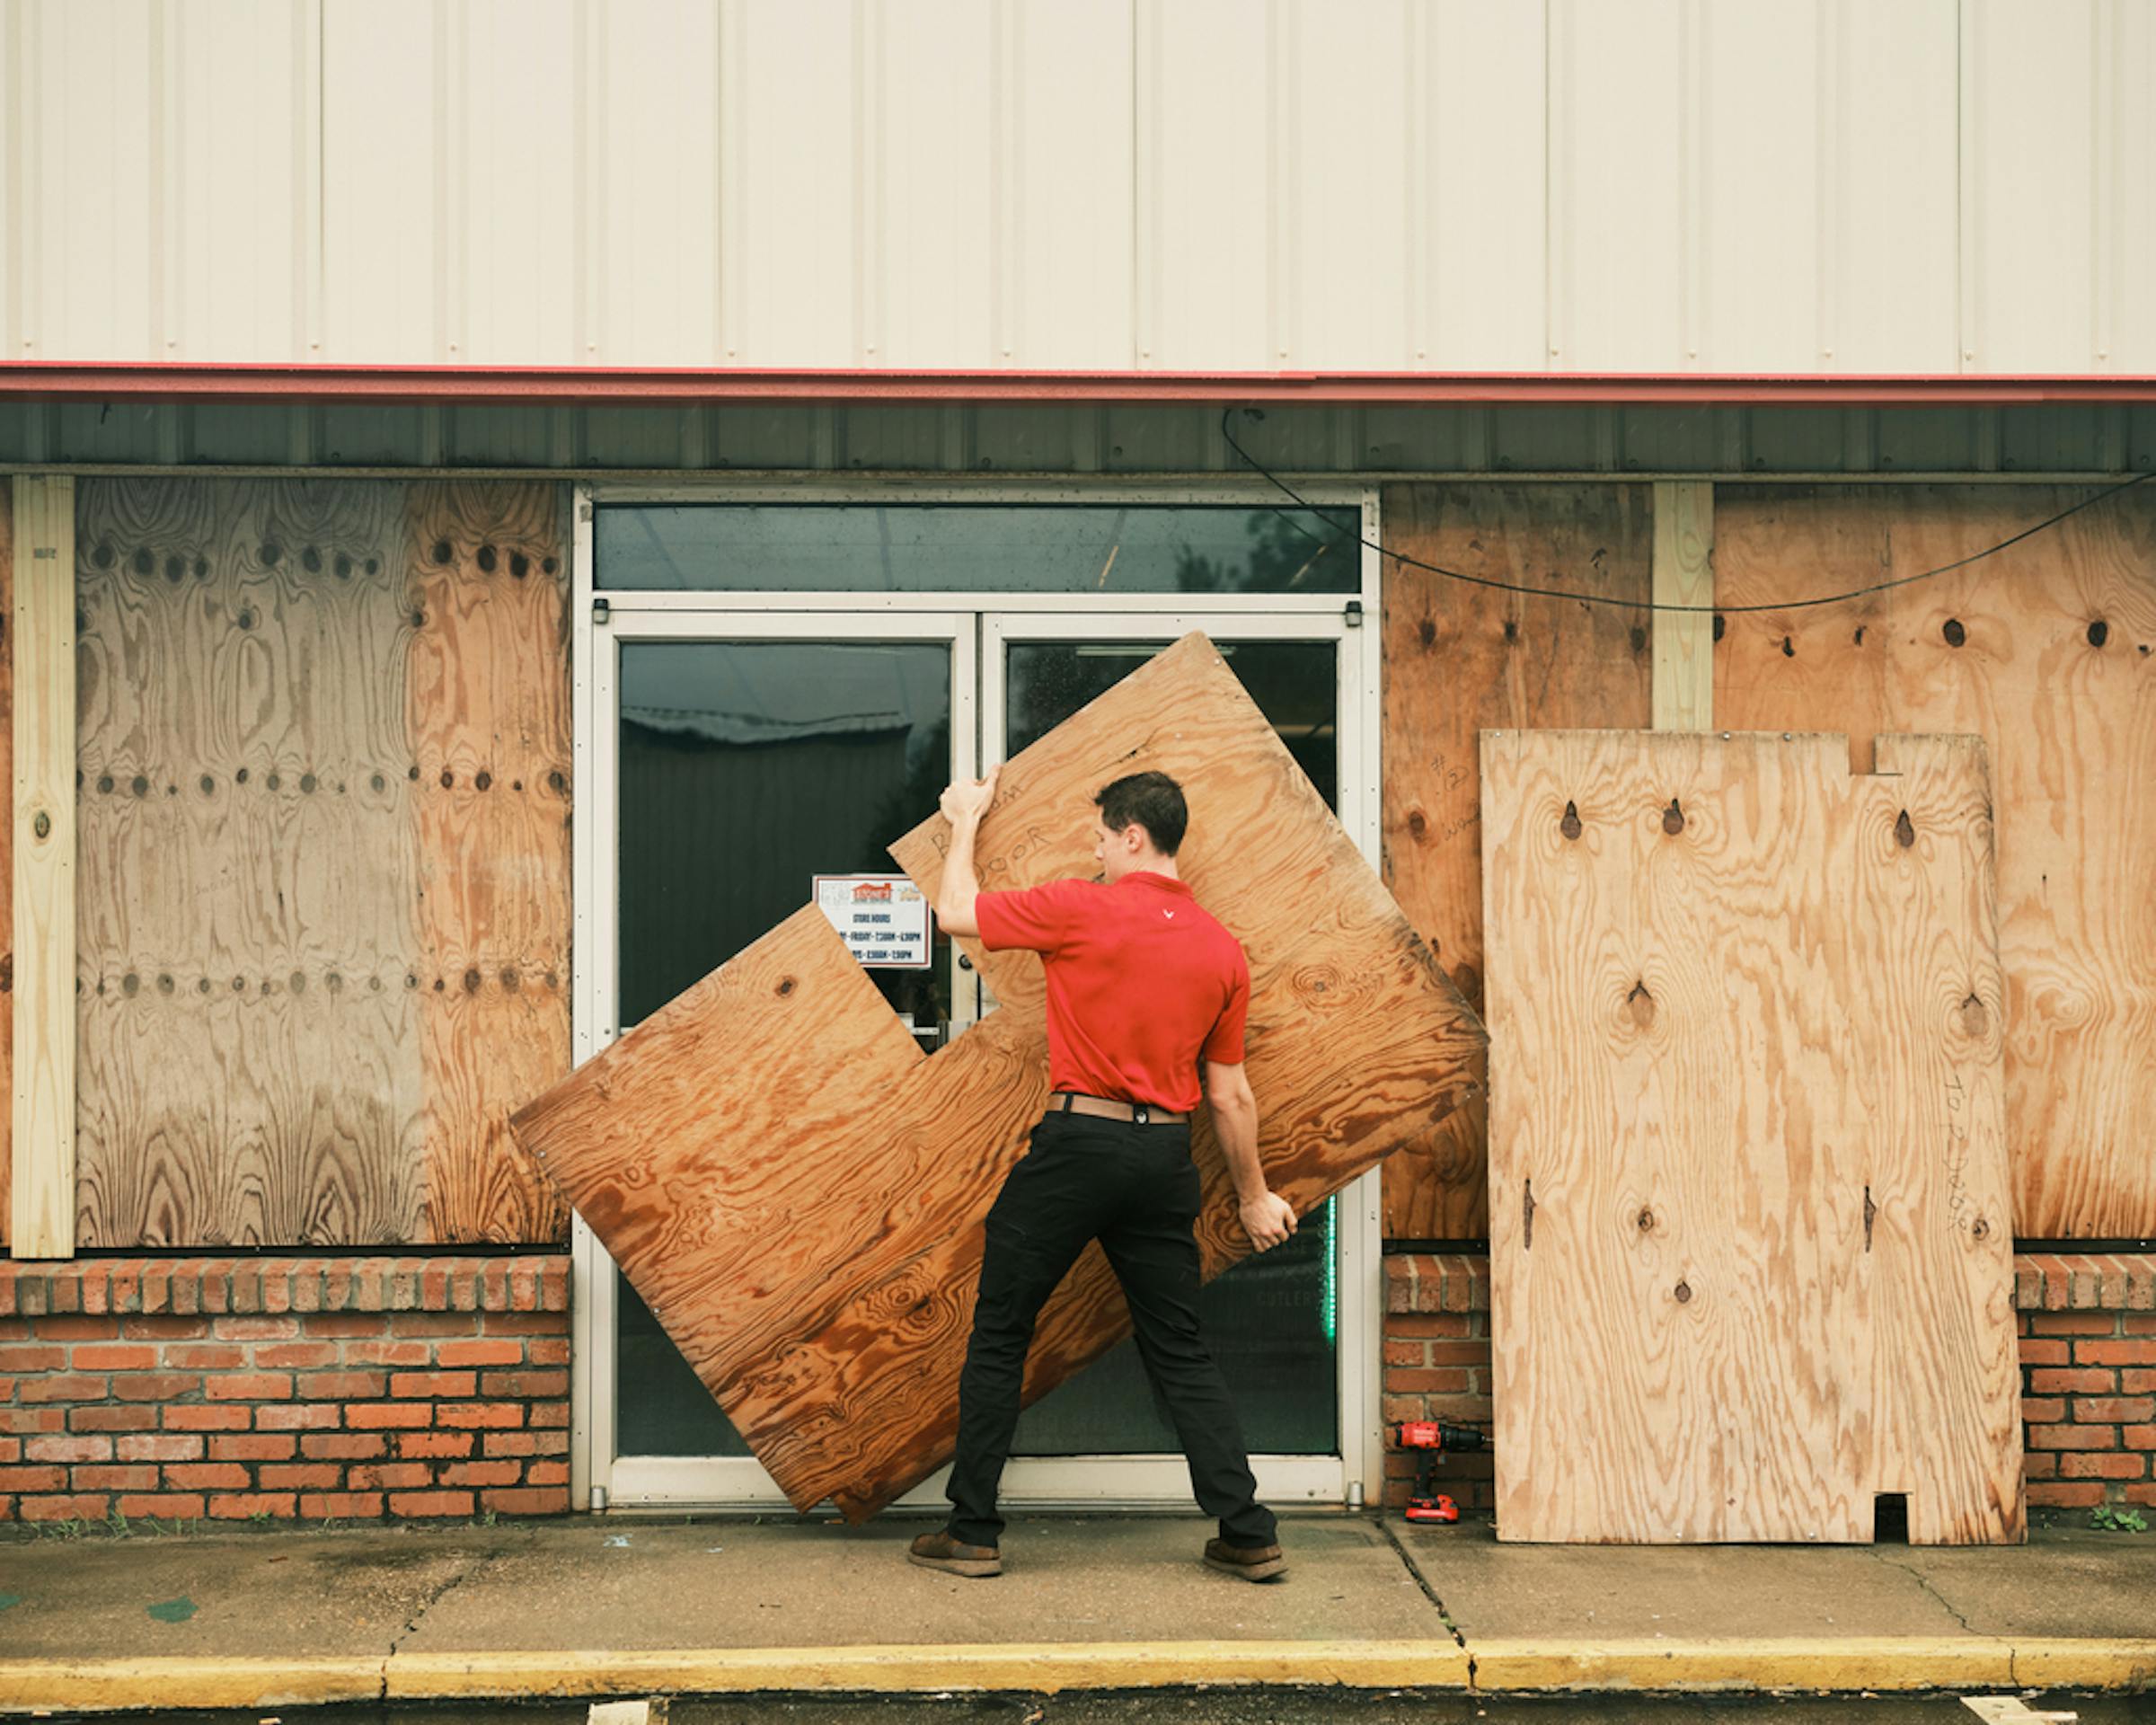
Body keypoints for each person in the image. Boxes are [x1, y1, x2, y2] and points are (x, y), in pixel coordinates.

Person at [906, 767, 1297, 1583]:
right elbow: (1229, 1094)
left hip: (1080, 1145)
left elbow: (953, 914)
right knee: (1179, 1347)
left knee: (1002, 1329)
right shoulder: (1223, 950)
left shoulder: (1081, 906)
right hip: (1165, 1158)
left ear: (1131, 836)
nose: (1093, 851)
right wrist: (1255, 1194)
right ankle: (1248, 1530)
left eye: (1098, 836)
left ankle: (973, 1532)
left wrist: (966, 821)